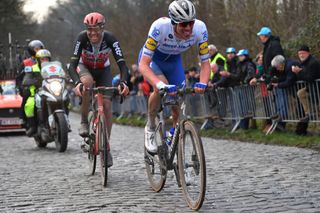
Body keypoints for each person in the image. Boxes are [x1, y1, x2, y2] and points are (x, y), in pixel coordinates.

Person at [139, 0, 210, 153]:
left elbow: (205, 63)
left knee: (177, 103)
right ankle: (150, 126)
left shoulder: (200, 28)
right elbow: (143, 65)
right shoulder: (160, 27)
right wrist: (159, 85)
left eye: (191, 23)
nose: (188, 28)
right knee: (161, 88)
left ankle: (173, 135)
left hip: (174, 62)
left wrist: (203, 83)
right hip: (154, 61)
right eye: (183, 24)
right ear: (173, 23)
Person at [67, 12, 130, 166]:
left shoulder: (110, 39)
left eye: (96, 29)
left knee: (107, 105)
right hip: (85, 67)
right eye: (89, 29)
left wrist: (123, 82)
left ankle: (106, 146)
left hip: (103, 70)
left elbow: (123, 65)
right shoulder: (82, 38)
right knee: (87, 83)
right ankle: (83, 120)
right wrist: (77, 83)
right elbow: (72, 66)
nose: (93, 33)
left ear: (102, 28)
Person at [15, 40, 45, 136]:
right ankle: (29, 122)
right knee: (29, 102)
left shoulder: (46, 60)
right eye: (36, 49)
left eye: (40, 49)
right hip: (31, 88)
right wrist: (21, 88)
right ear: (31, 50)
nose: (38, 51)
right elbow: (19, 77)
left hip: (46, 87)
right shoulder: (26, 63)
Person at [292, 45, 320, 135]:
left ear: (308, 53)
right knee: (300, 93)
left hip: (317, 88)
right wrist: (298, 72)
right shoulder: (303, 63)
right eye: (299, 53)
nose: (301, 55)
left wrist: (299, 72)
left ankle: (312, 114)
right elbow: (302, 78)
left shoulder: (313, 62)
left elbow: (310, 78)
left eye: (303, 53)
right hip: (312, 87)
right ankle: (309, 113)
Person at [269, 55, 298, 130]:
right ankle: (280, 116)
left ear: (281, 64)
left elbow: (289, 81)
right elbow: (284, 78)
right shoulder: (284, 66)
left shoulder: (289, 66)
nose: (277, 69)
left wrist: (278, 84)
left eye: (277, 67)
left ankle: (283, 115)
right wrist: (276, 79)